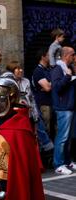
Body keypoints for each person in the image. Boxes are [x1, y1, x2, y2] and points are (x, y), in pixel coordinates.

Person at [50, 46, 75, 175]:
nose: (74, 57)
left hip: (69, 107)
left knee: (68, 137)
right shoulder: (58, 69)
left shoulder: (67, 69)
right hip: (63, 108)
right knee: (62, 137)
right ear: (66, 56)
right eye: (72, 55)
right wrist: (68, 77)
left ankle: (67, 161)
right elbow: (57, 87)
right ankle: (58, 164)